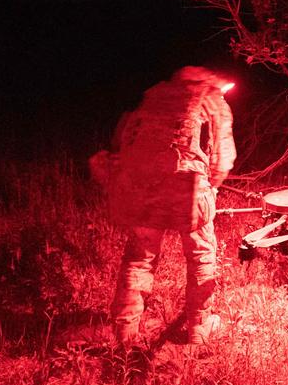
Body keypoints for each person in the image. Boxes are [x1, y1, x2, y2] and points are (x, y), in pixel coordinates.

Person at [94, 66, 236, 347]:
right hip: (188, 188)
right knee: (201, 256)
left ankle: (125, 330)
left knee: (139, 257)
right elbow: (223, 158)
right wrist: (212, 187)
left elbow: (122, 142)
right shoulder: (212, 101)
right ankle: (199, 327)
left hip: (142, 187)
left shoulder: (153, 98)